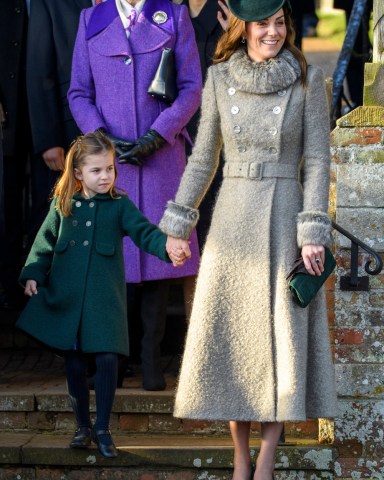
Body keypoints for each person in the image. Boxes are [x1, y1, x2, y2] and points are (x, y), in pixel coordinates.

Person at [159, 1, 337, 479]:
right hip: (233, 220)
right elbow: (203, 160)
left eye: (280, 23)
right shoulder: (219, 79)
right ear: (244, 27)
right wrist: (178, 224)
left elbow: (318, 160)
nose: (274, 32)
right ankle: (240, 459)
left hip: (284, 217)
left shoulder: (307, 80)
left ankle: (266, 461)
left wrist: (312, 230)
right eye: (264, 24)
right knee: (235, 343)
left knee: (281, 340)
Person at [16, 132, 183, 458]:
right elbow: (43, 244)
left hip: (104, 302)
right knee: (75, 363)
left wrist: (167, 246)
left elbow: (145, 233)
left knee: (107, 359)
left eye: (109, 168)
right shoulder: (63, 204)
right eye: (96, 170)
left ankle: (103, 429)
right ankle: (82, 427)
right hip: (69, 301)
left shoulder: (119, 206)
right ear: (78, 172)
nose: (105, 176)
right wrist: (33, 275)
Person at [68, 0, 202, 391]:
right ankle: (117, 360)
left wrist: (158, 134)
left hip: (161, 155)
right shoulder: (92, 19)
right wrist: (101, 140)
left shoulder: (173, 15)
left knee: (159, 258)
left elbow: (192, 87)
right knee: (114, 260)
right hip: (110, 163)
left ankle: (151, 362)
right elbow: (78, 92)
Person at [25, 0, 93, 245]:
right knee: (59, 224)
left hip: (120, 134)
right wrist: (48, 139)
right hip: (65, 134)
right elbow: (39, 69)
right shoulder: (50, 3)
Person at [0, 0, 31, 311]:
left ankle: (39, 282)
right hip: (5, 114)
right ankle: (9, 285)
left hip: (43, 108)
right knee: (6, 201)